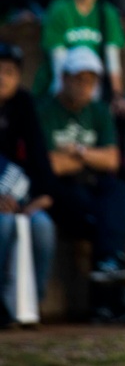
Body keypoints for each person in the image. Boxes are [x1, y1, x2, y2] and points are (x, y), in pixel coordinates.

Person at [36, 47, 125, 282]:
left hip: (93, 182)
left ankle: (109, 262)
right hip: (60, 187)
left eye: (90, 81)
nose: (84, 86)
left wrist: (77, 152)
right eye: (78, 79)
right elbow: (51, 165)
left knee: (119, 192)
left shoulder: (99, 110)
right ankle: (107, 264)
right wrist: (91, 157)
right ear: (64, 78)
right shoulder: (45, 111)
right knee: (95, 209)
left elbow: (112, 160)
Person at [33, 0, 125, 125]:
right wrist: (62, 98)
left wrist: (117, 95)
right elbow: (58, 60)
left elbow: (112, 58)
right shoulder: (59, 10)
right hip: (61, 82)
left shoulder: (107, 12)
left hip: (95, 84)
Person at [0, 43, 56, 327]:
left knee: (43, 225)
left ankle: (31, 302)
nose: (2, 78)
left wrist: (39, 200)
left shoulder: (24, 104)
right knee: (4, 225)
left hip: (22, 197)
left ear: (18, 76)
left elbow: (39, 158)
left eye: (9, 72)